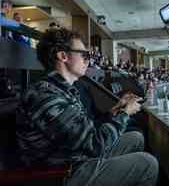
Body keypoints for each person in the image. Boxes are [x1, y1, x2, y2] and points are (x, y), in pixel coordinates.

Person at [16, 28, 158, 186]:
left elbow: (85, 131)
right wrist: (125, 113)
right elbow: (94, 145)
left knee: (135, 138)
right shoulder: (46, 96)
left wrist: (117, 109)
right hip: (62, 172)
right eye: (84, 55)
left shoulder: (62, 89)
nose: (88, 61)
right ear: (63, 56)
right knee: (147, 164)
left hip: (76, 157)